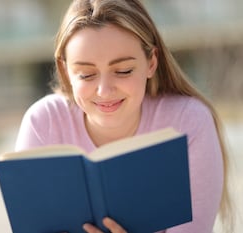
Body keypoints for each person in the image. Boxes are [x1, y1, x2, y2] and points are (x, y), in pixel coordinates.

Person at [14, 0, 233, 232]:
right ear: (66, 71)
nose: (104, 91)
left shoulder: (188, 121)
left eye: (123, 71)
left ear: (151, 62)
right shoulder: (42, 123)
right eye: (86, 74)